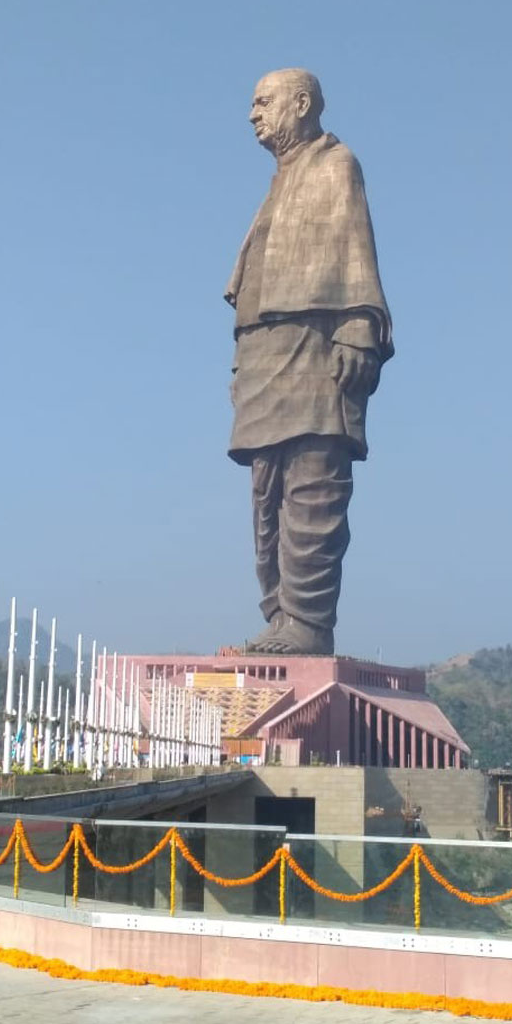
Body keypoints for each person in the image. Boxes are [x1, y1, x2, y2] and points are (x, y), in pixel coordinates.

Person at [225, 68, 393, 655]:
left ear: (301, 104)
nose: (253, 114)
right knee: (266, 494)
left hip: (318, 346)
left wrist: (356, 328)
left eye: (263, 101)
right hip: (264, 354)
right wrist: (239, 367)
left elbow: (355, 249)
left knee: (314, 487)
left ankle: (308, 622)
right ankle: (279, 616)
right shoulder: (279, 182)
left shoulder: (334, 165)